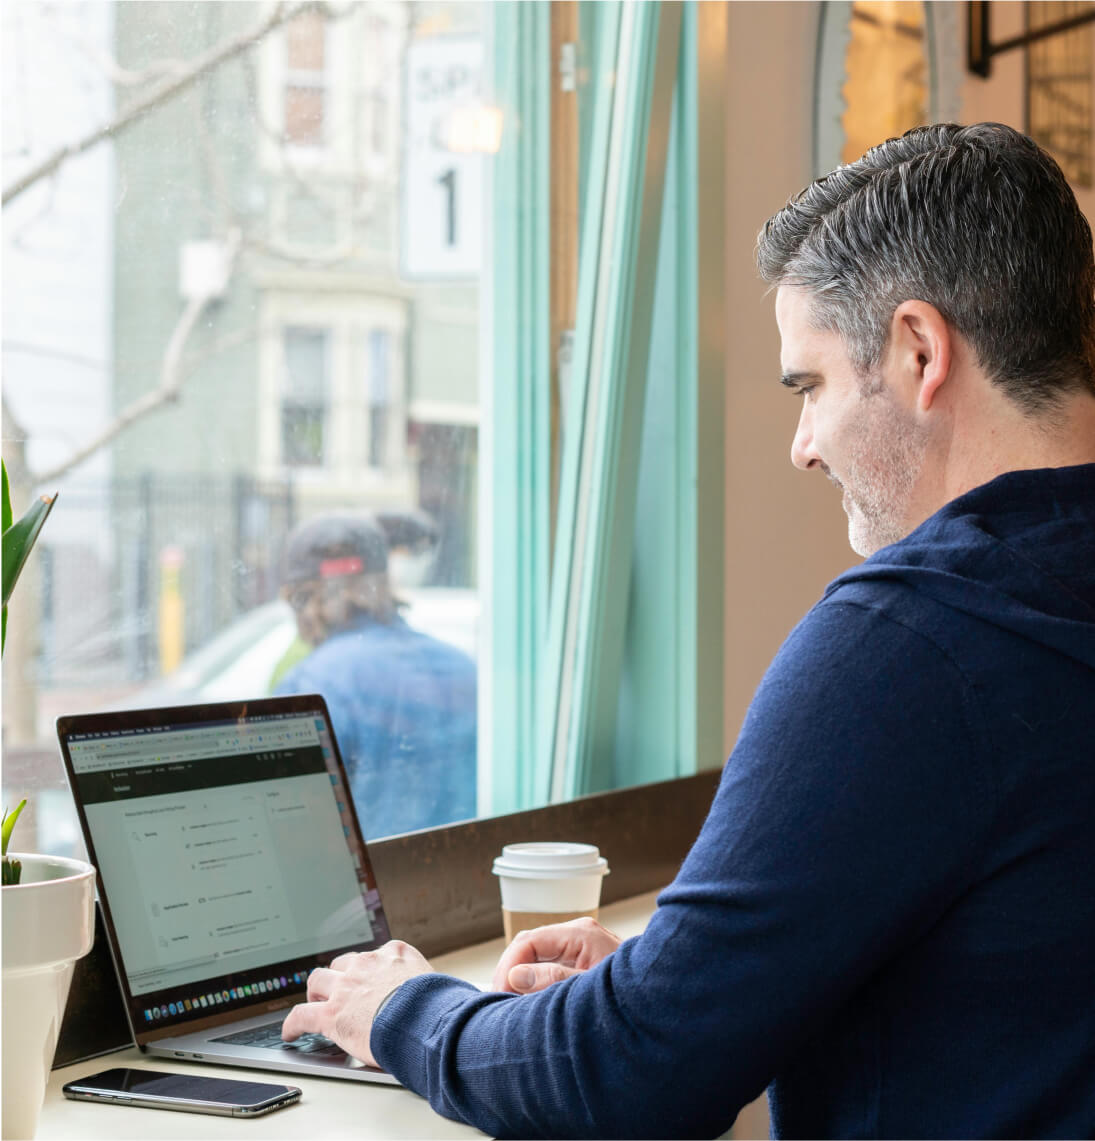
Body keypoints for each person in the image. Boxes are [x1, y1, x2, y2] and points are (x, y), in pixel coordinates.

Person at [282, 123, 1095, 1138]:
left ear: (920, 351)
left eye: (812, 386)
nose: (804, 446)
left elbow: (627, 1078)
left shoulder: (912, 642)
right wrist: (698, 983)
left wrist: (400, 1009)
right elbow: (1023, 973)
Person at [273, 512, 477, 840]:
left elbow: (290, 832)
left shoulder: (309, 687)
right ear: (383, 585)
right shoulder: (465, 668)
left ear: (304, 599)